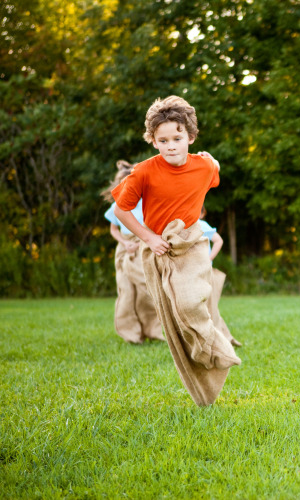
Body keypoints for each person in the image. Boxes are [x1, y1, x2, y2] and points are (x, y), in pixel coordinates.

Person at [112, 95, 240, 406]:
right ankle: (202, 353)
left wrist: (214, 160)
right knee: (175, 314)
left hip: (192, 242)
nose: (171, 145)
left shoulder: (205, 165)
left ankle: (216, 349)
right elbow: (121, 210)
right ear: (153, 141)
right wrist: (149, 238)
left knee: (190, 301)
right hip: (159, 246)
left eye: (178, 138)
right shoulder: (143, 172)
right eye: (163, 140)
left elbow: (215, 168)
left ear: (191, 137)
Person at [102, 160, 163, 344]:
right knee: (126, 292)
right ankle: (132, 334)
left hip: (143, 245)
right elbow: (114, 230)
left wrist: (142, 241)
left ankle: (154, 330)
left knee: (146, 291)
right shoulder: (116, 207)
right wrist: (125, 243)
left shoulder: (146, 202)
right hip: (125, 248)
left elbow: (152, 226)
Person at [199, 206, 241, 347]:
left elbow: (218, 240)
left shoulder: (202, 225)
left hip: (205, 272)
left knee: (210, 307)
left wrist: (209, 258)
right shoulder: (183, 227)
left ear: (202, 214)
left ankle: (222, 338)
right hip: (191, 272)